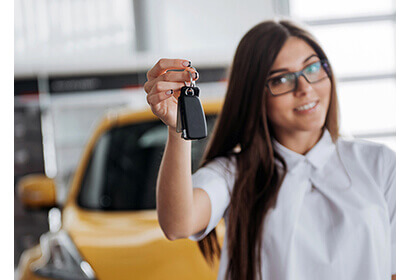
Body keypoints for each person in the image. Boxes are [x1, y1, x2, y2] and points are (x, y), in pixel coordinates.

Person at [143, 19, 396, 280]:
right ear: (254, 94)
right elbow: (178, 223)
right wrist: (178, 129)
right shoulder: (234, 173)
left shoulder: (381, 164)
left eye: (312, 67)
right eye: (283, 79)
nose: (305, 88)